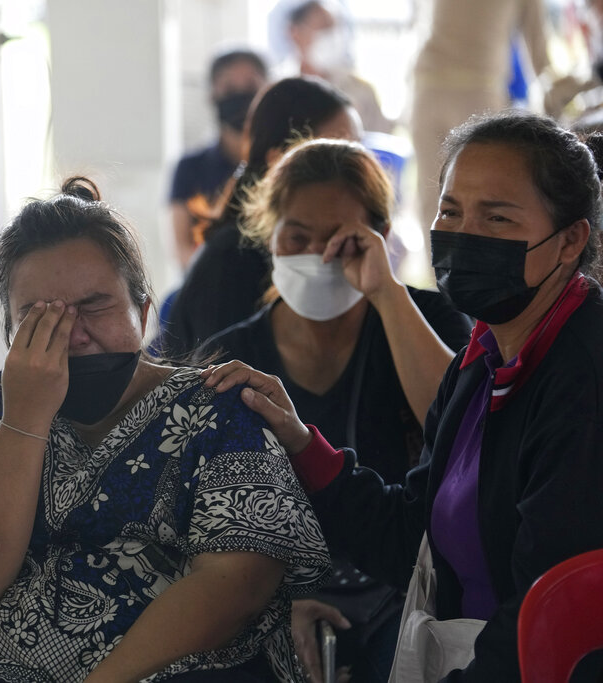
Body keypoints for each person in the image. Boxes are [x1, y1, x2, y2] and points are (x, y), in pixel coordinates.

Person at [204, 111, 603, 680]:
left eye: (497, 217)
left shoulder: (581, 377)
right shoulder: (485, 359)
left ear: (569, 240)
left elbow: (550, 602)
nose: (465, 235)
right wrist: (301, 444)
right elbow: (415, 538)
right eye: (451, 210)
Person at [0, 176, 330, 682]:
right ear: (8, 333)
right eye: (39, 317)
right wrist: (23, 421)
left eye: (95, 306)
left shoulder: (220, 405)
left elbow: (236, 585)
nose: (74, 334)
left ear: (144, 312)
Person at [197, 138, 472, 682]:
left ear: (379, 238)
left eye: (341, 240)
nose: (320, 255)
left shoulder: (428, 320)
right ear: (268, 236)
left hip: (407, 590)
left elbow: (461, 435)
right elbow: (208, 517)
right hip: (269, 593)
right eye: (297, 236)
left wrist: (387, 295)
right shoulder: (233, 358)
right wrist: (279, 606)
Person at [162, 76, 361, 358]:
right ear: (280, 160)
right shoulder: (234, 259)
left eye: (357, 152)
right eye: (335, 155)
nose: (358, 171)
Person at [410, 0, 549, 258]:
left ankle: (441, 282)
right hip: (474, 90)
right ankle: (466, 281)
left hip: (429, 87)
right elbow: (538, 50)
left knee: (436, 199)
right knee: (486, 199)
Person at [169, 48, 268, 270]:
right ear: (212, 93)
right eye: (229, 88)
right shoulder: (190, 168)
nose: (241, 96)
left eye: (251, 87)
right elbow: (182, 248)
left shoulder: (281, 164)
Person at [282, 0, 393, 134]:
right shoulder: (276, 87)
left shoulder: (362, 90)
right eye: (324, 29)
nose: (333, 37)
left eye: (335, 29)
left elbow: (382, 145)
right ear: (295, 33)